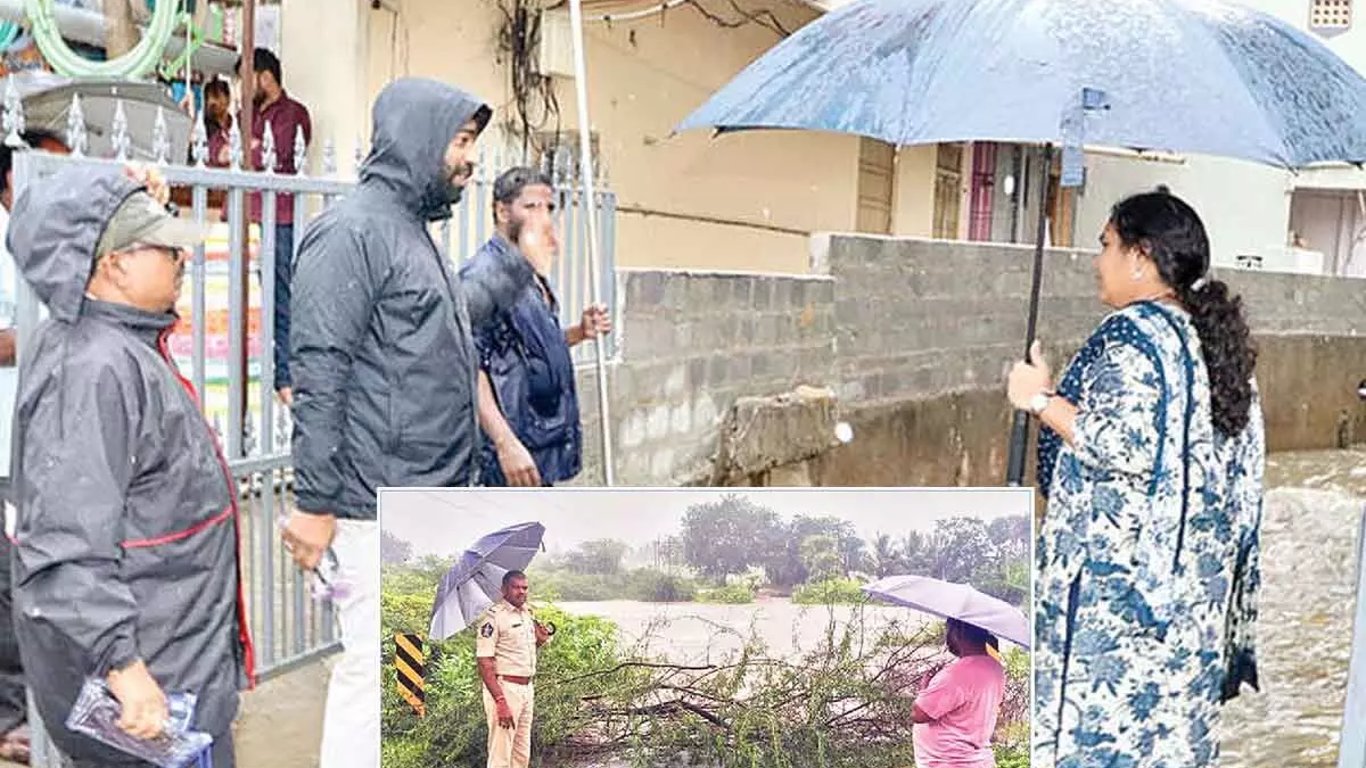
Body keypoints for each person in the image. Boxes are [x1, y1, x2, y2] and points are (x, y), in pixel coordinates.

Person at [282, 78, 546, 768]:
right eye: (461, 143)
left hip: (415, 500)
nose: (469, 160)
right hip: (371, 507)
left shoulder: (407, 233)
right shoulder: (351, 233)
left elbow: (441, 318)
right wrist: (312, 504)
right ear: (419, 141)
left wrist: (519, 266)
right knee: (371, 674)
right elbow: (320, 373)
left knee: (406, 663)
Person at [6, 163, 254, 767]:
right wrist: (123, 667)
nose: (181, 259)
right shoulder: (92, 369)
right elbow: (65, 547)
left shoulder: (118, 343)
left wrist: (133, 199)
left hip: (175, 669)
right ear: (113, 264)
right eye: (164, 247)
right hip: (147, 691)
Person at [1008, 190, 1264, 767]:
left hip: (1118, 603)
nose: (1097, 260)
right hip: (1192, 603)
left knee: (1096, 741)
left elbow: (1123, 443)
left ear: (1141, 256)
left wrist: (1040, 399)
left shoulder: (1131, 339)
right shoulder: (1216, 345)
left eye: (1105, 245)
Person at [465, 167, 612, 487]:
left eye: (548, 208)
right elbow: (468, 364)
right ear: (503, 211)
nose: (542, 217)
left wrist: (579, 332)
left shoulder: (528, 273)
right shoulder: (484, 277)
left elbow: (525, 348)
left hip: (541, 448)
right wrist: (505, 443)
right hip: (511, 457)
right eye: (530, 207)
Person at [0, 129, 71, 764]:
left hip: (45, 441)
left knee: (47, 579)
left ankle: (38, 707)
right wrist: (37, 335)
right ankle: (12, 716)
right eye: (39, 175)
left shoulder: (51, 245)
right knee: (8, 584)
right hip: (2, 447)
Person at [237, 47, 312, 404]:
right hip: (242, 217)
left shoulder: (294, 114)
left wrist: (246, 149)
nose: (241, 87)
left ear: (265, 77)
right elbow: (220, 150)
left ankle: (285, 375)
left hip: (279, 219)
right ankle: (247, 376)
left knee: (280, 297)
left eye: (246, 78)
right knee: (240, 299)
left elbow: (281, 152)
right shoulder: (244, 115)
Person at [475, 571, 550, 768]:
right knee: (501, 753)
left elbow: (521, 650)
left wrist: (540, 641)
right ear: (504, 589)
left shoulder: (527, 614)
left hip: (527, 689)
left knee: (521, 752)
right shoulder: (492, 618)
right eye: (516, 587)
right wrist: (500, 701)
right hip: (505, 688)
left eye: (524, 587)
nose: (521, 591)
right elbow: (484, 662)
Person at [911, 619, 1006, 768]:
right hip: (977, 760)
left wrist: (925, 688)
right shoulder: (995, 668)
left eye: (948, 631)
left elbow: (919, 714)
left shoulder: (955, 674)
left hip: (950, 761)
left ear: (958, 632)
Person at [202, 78, 233, 168]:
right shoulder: (203, 129)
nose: (213, 102)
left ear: (228, 98)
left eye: (217, 96)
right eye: (209, 98)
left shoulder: (236, 125)